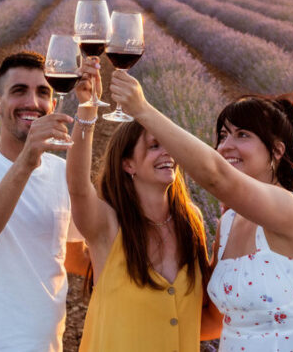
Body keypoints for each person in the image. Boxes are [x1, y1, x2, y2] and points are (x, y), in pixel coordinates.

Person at [110, 72, 293, 352]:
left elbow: (215, 176)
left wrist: (142, 110)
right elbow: (210, 320)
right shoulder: (229, 222)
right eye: (222, 135)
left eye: (242, 135)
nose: (226, 146)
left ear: (277, 150)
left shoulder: (291, 211)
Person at [0, 51, 96, 352]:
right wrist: (28, 158)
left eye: (43, 92)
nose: (32, 102)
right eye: (19, 91)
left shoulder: (60, 174)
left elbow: (73, 256)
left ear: (53, 104)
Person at [66, 104, 221, 350]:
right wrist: (86, 111)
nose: (167, 153)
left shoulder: (191, 221)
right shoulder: (108, 225)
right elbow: (77, 187)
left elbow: (205, 314)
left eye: (169, 144)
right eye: (154, 146)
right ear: (129, 165)